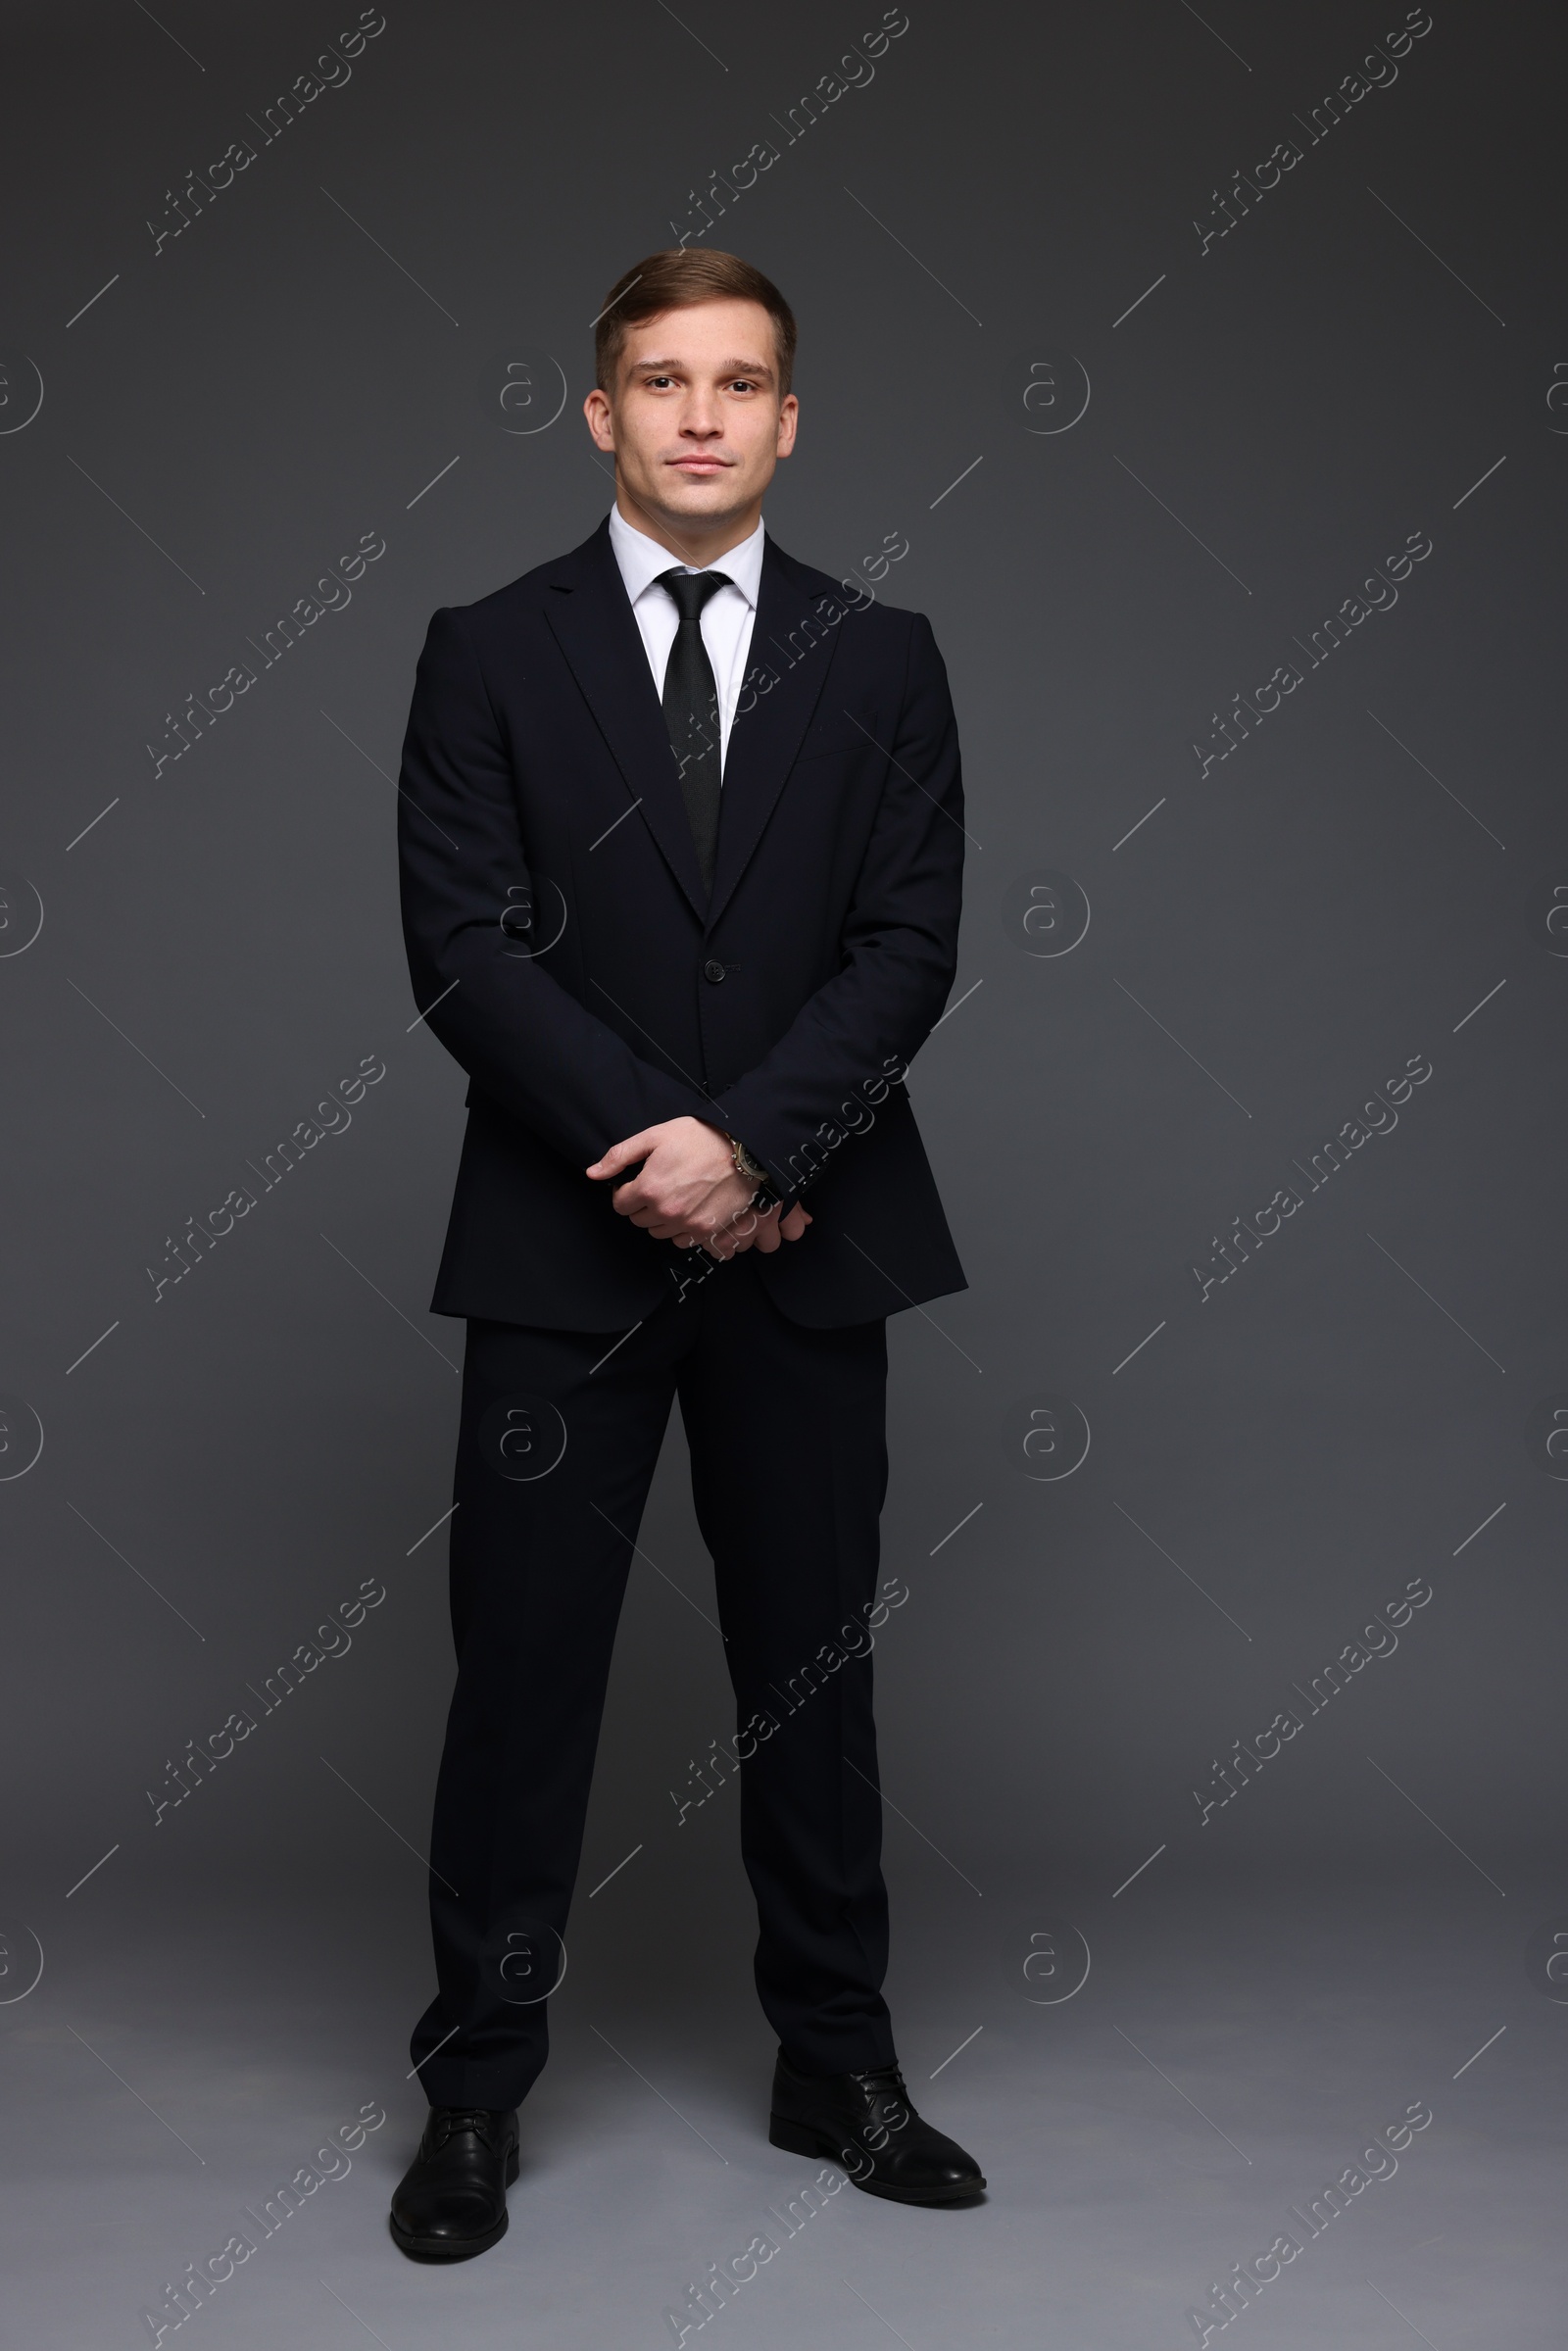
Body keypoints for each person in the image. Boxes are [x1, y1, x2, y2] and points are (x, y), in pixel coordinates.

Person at [389, 246, 982, 2260]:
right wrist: (657, 1155)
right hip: (561, 1249)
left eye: (740, 382)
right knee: (522, 1679)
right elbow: (461, 949)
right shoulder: (485, 647)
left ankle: (837, 2063)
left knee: (809, 1675)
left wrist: (748, 1146)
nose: (703, 413)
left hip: (807, 1239)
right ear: (601, 412)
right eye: (663, 380)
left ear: (789, 418)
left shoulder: (882, 656)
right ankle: (473, 2090)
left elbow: (907, 943)